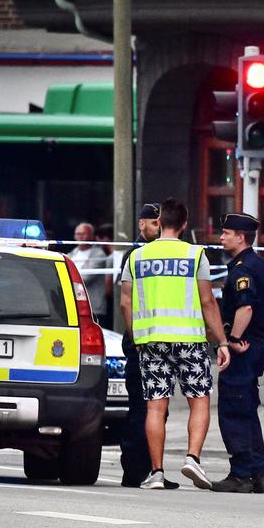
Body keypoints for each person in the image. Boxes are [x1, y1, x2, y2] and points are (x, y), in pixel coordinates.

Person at [119, 198, 230, 490]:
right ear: (184, 224)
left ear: (160, 222)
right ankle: (192, 458)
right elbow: (207, 301)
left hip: (151, 340)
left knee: (155, 407)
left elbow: (126, 302)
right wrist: (222, 341)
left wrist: (135, 336)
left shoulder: (137, 256)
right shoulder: (195, 255)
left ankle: (155, 471)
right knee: (200, 400)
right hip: (189, 339)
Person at [213, 213, 264, 493]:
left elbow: (246, 307)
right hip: (257, 346)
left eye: (226, 233)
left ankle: (241, 473)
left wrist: (233, 339)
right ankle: (258, 473)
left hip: (242, 348)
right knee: (248, 409)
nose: (221, 237)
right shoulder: (263, 267)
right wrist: (262, 338)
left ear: (240, 237)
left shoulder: (242, 269)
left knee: (234, 409)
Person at [116, 204, 167, 487]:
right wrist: (135, 338)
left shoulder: (164, 256)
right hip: (139, 343)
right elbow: (127, 302)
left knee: (157, 409)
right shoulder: (134, 255)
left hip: (160, 343)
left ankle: (153, 469)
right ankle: (134, 470)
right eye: (153, 222)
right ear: (141, 224)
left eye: (161, 222)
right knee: (140, 409)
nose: (157, 227)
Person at [67, 222, 109, 315]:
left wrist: (65, 279)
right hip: (74, 307)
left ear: (91, 236)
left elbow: (84, 278)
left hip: (93, 308)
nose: (80, 237)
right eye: (78, 234)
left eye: (83, 234)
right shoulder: (72, 254)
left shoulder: (99, 254)